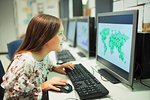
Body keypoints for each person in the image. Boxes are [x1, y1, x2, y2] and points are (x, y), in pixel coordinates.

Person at [1, 14, 74, 100]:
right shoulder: (25, 62)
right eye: (60, 34)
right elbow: (13, 94)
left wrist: (55, 68)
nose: (64, 38)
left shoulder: (43, 55)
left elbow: (44, 66)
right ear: (45, 38)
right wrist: (41, 87)